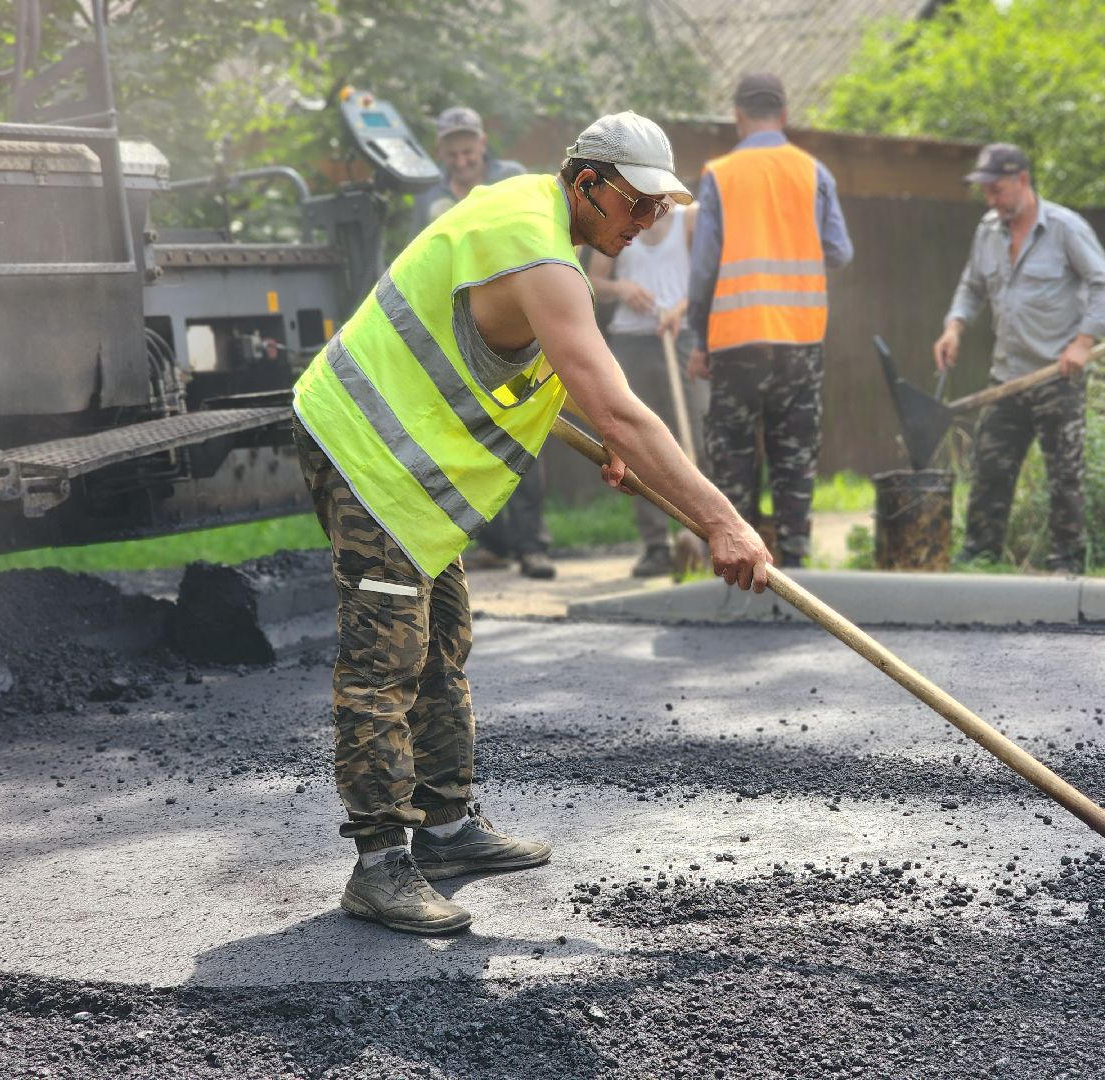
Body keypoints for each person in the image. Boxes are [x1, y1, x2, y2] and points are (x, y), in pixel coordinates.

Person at [292, 110, 771, 936]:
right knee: (385, 662)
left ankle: (443, 830)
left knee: (443, 644)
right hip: (365, 451)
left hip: (414, 476)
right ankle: (377, 866)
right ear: (587, 184)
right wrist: (722, 523)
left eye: (660, 209)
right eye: (638, 204)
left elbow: (516, 357)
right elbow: (621, 408)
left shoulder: (530, 214)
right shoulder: (542, 254)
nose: (649, 222)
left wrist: (598, 439)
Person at [686, 72, 853, 569]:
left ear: (738, 115)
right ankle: (796, 565)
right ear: (783, 115)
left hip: (735, 342)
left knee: (734, 455)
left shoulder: (719, 174)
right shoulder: (814, 172)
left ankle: (738, 567)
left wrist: (700, 339)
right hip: (801, 340)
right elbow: (841, 251)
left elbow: (703, 270)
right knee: (795, 452)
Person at [933, 143, 1105, 574]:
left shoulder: (1064, 229)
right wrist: (954, 326)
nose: (991, 200)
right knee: (990, 468)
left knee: (1065, 476)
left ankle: (1066, 561)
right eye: (986, 192)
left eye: (997, 190)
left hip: (1058, 375)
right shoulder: (988, 231)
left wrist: (1084, 342)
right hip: (1008, 377)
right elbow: (971, 287)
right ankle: (980, 554)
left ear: (1022, 180)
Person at [412, 105, 555, 579]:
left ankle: (533, 544)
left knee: (525, 433)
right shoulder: (430, 200)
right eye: (452, 148)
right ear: (442, 151)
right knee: (472, 440)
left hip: (513, 327)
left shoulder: (509, 180)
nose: (461, 155)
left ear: (482, 142)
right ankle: (492, 542)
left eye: (467, 145)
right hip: (459, 334)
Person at [588, 201, 705, 577]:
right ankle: (656, 545)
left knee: (694, 440)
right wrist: (622, 288)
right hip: (632, 342)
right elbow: (593, 282)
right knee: (636, 444)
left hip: (680, 337)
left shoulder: (690, 219)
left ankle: (702, 536)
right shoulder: (620, 219)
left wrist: (681, 309)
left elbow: (707, 277)